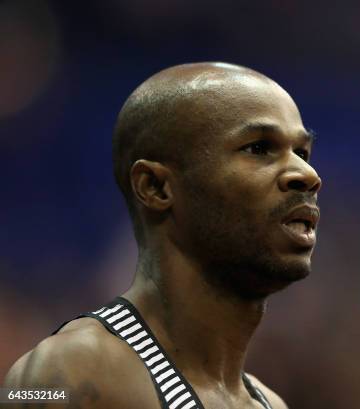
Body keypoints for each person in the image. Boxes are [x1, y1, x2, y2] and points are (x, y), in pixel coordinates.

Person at [3, 62, 322, 408]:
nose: (307, 174)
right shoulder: (71, 371)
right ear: (155, 187)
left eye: (302, 152)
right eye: (258, 148)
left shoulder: (270, 404)